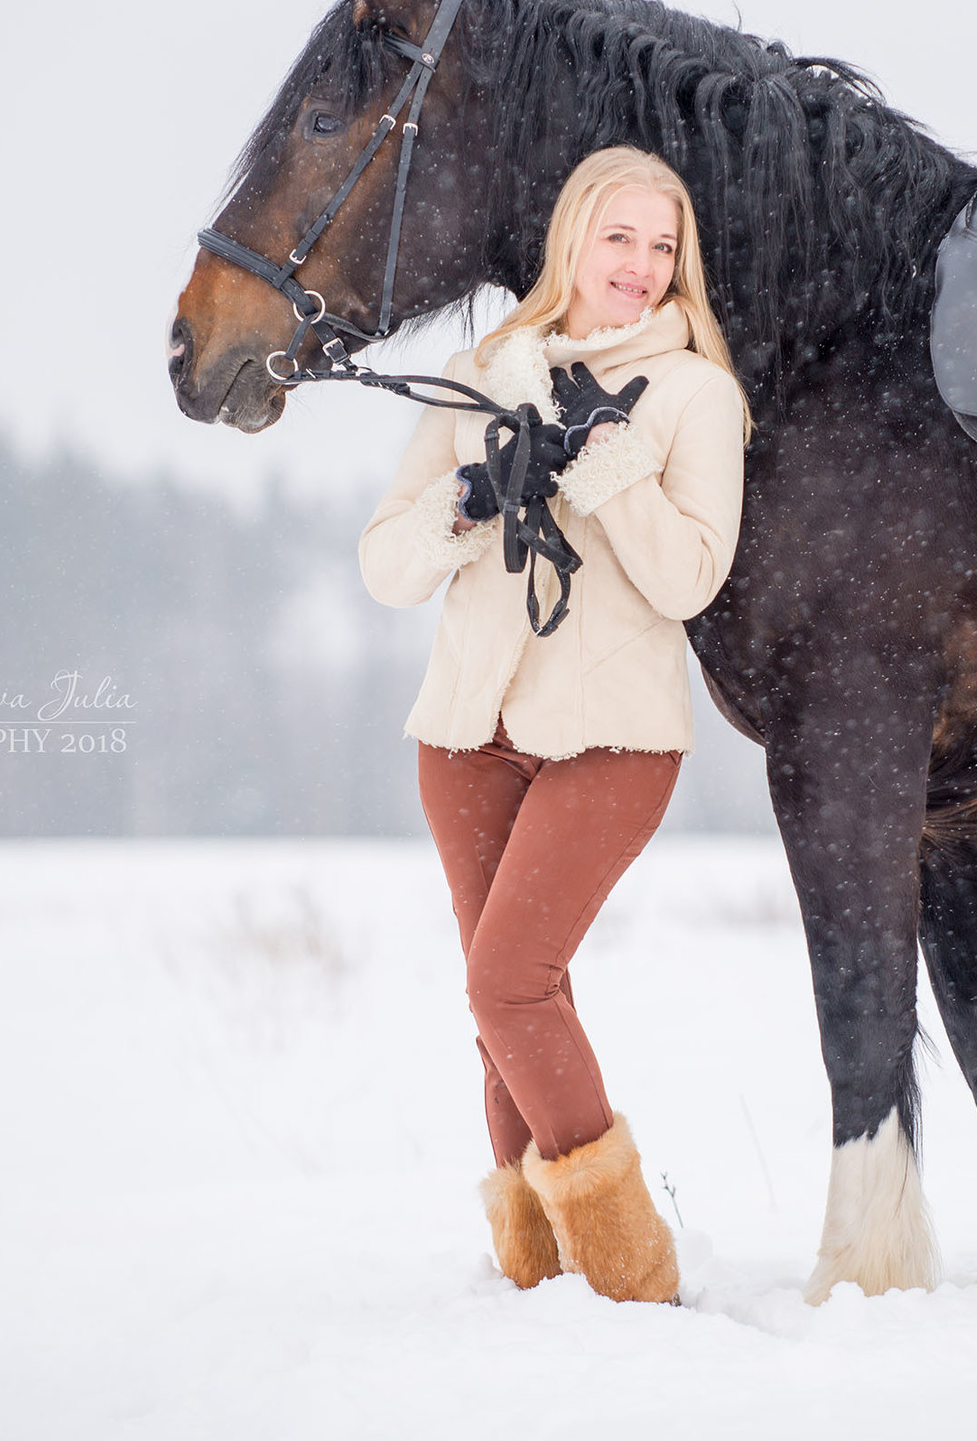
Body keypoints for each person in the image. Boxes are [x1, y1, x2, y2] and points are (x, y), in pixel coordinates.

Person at [358, 146, 749, 1304]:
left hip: (614, 744)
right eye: (618, 238)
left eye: (661, 247)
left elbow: (690, 577)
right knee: (507, 1005)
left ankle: (628, 1272)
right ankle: (537, 1276)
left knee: (507, 984)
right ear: (570, 242)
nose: (638, 266)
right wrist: (471, 500)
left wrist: (611, 465)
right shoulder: (480, 372)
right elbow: (386, 567)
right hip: (464, 737)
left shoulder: (694, 395)